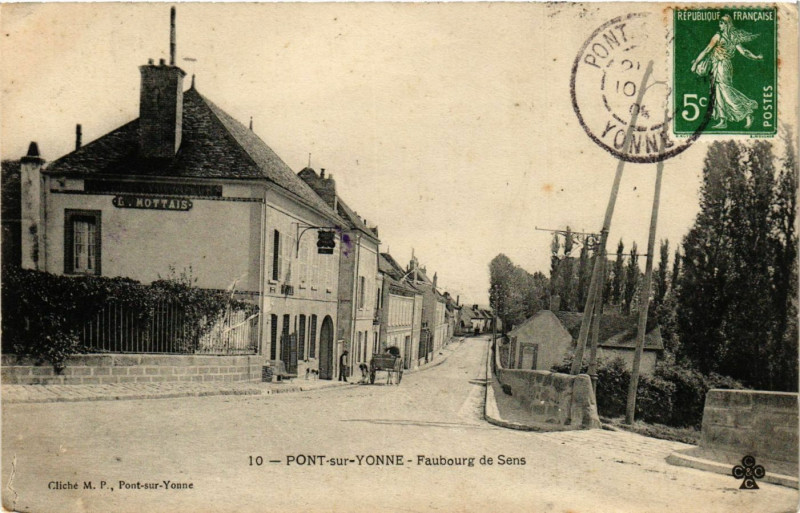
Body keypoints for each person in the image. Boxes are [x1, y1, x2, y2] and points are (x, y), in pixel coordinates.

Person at [690, 14, 763, 129]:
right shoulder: (727, 37)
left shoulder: (723, 37)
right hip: (717, 65)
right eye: (720, 23)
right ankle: (723, 120)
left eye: (722, 23)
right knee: (718, 91)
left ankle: (747, 113)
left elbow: (743, 51)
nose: (720, 25)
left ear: (728, 24)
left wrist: (755, 57)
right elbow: (707, 50)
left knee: (725, 91)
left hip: (723, 66)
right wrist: (756, 57)